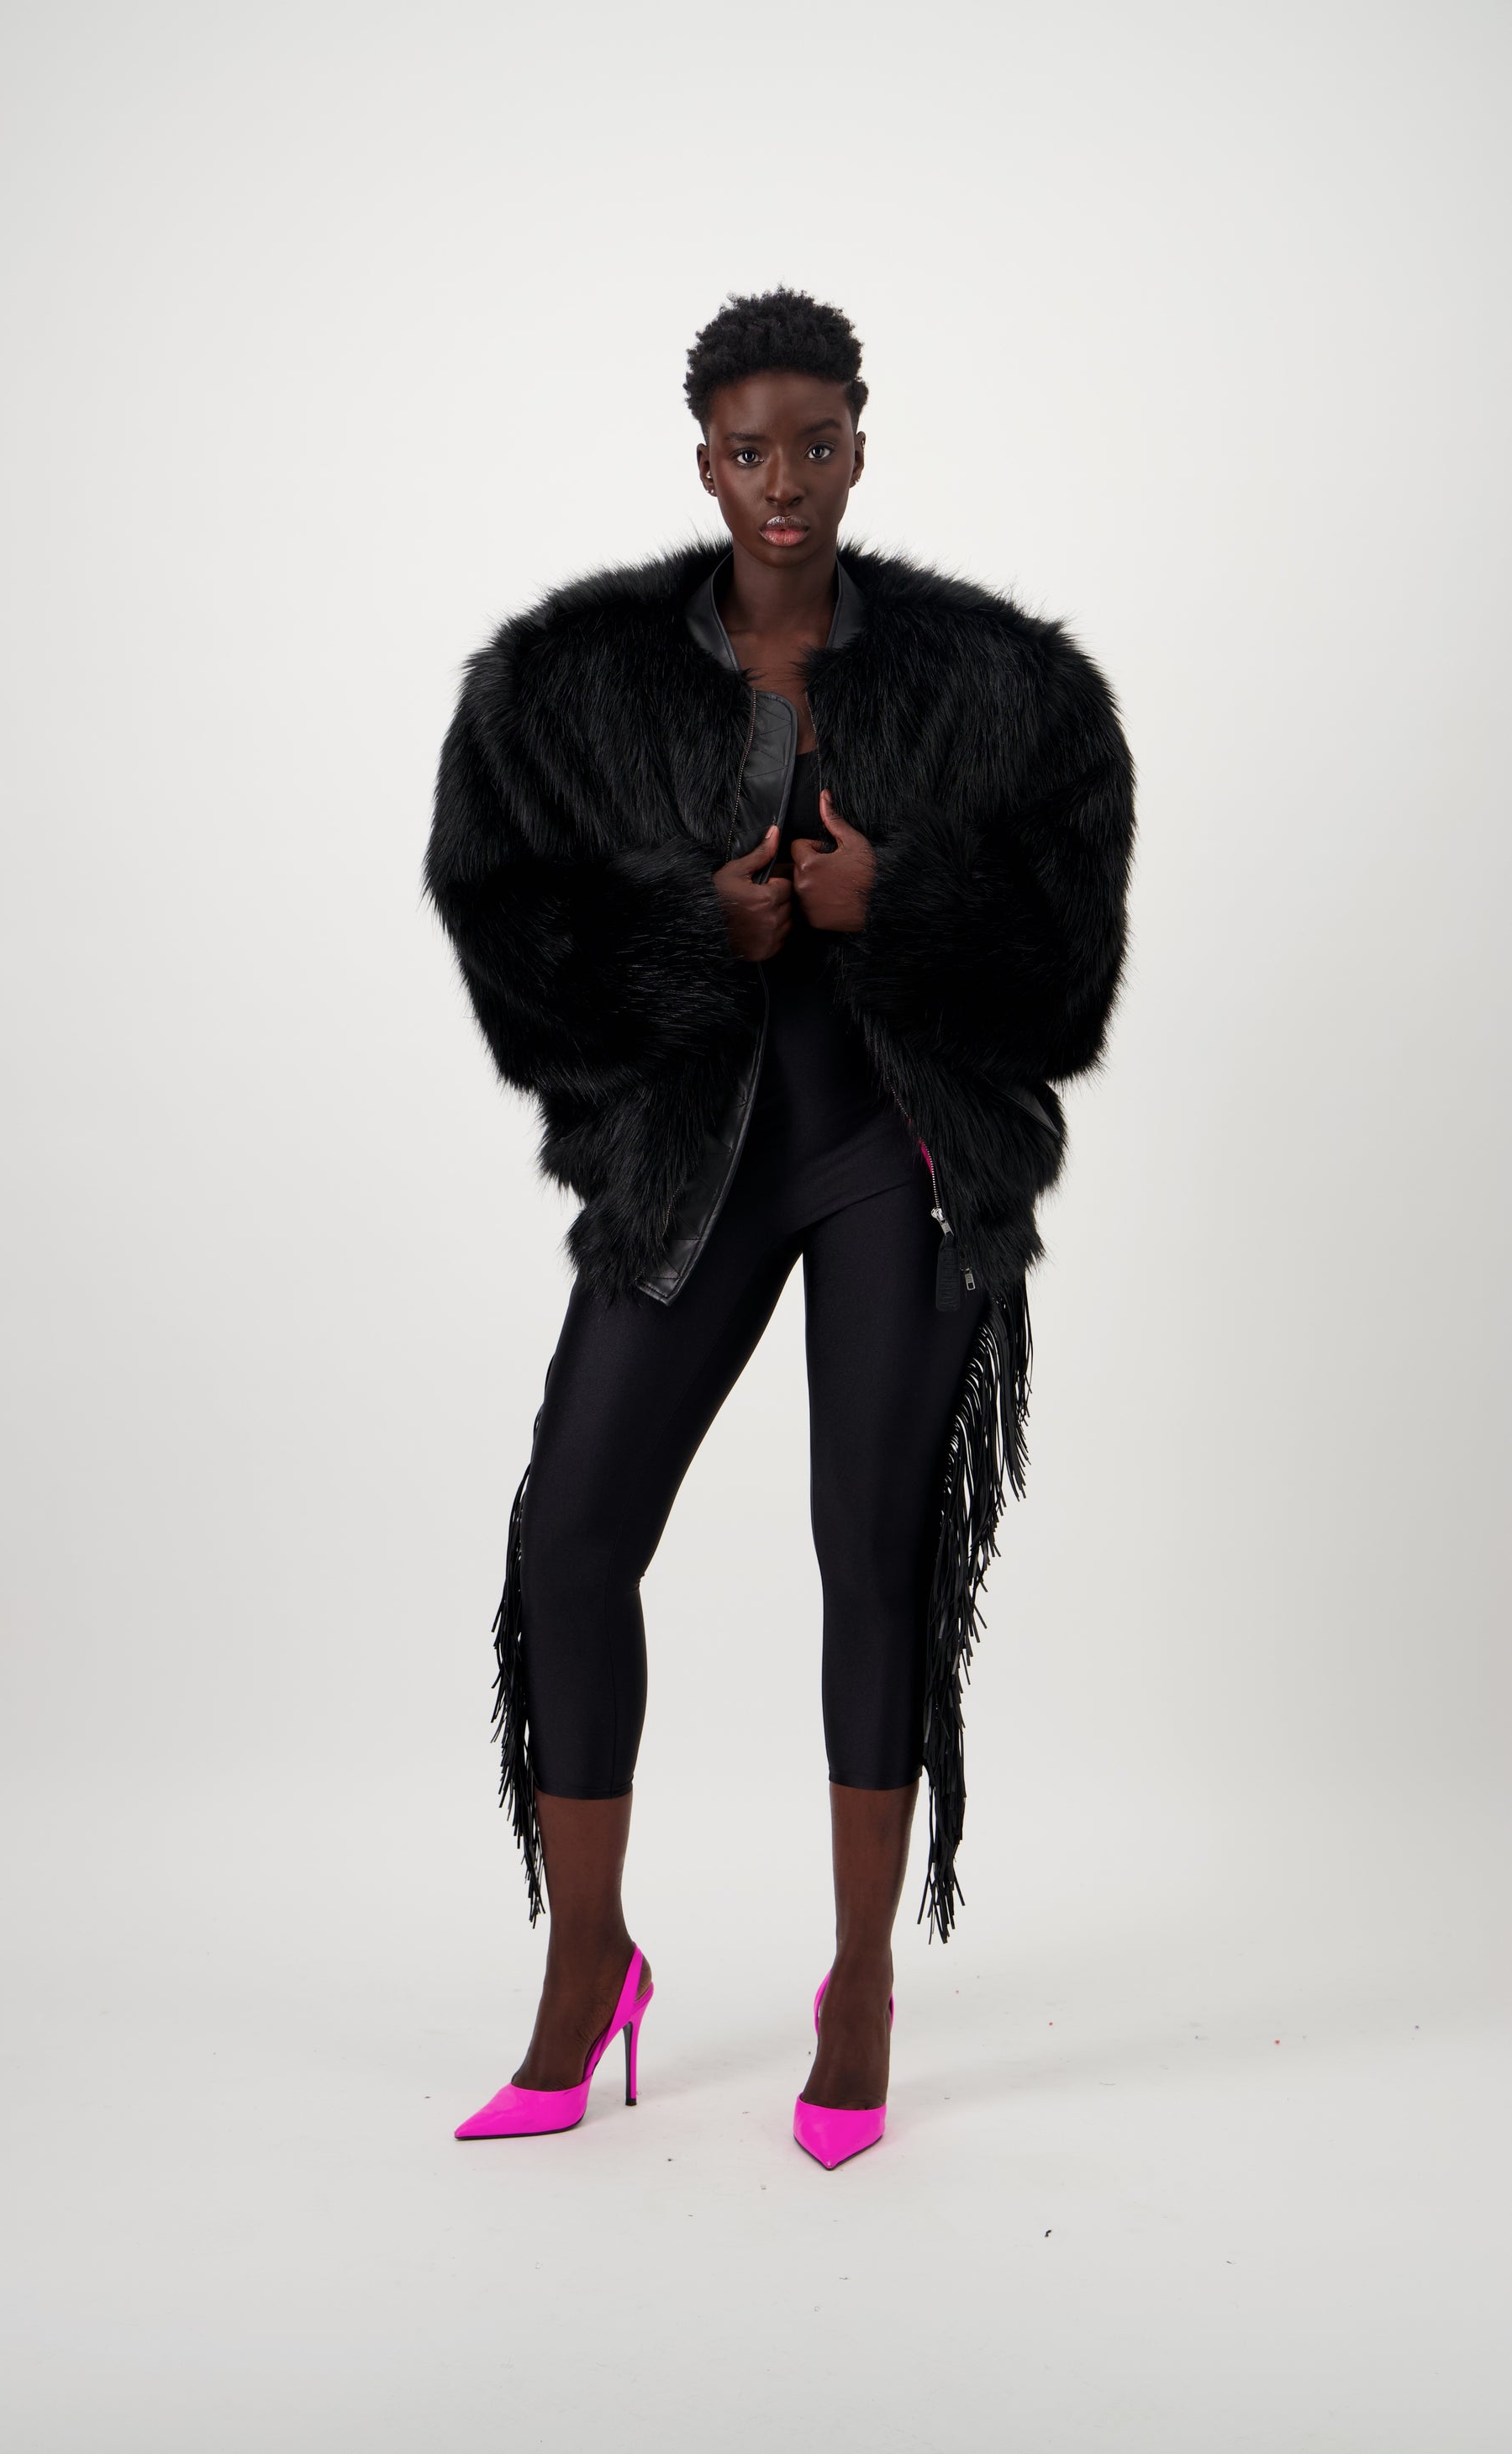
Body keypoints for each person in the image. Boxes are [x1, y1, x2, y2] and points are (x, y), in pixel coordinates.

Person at [424, 288, 1133, 2166]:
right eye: (750, 451)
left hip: (895, 1160)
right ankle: (589, 1966)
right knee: (573, 1537)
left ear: (858, 444)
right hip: (695, 1171)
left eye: (815, 443)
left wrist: (900, 904)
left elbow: (1069, 971)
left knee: (870, 1552)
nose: (785, 482)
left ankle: (860, 1985)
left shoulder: (1002, 684)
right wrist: (694, 933)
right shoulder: (570, 679)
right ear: (705, 463)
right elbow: (498, 925)